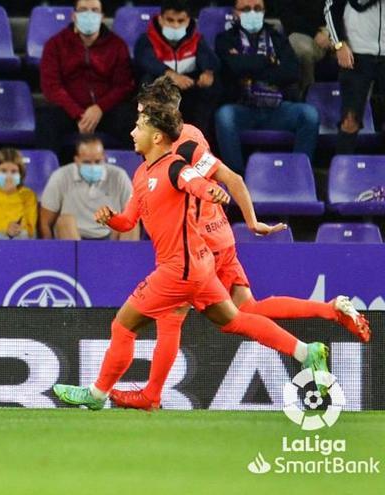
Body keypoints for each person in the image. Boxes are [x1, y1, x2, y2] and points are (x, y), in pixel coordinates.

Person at [107, 77, 371, 410]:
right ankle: (329, 311)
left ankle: (151, 395)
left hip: (198, 244)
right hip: (219, 238)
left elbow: (230, 180)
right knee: (248, 309)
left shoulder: (182, 144)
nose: (138, 121)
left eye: (142, 112)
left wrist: (251, 221)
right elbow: (227, 180)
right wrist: (247, 221)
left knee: (175, 316)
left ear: (156, 111)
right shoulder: (189, 137)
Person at [52, 105, 331, 411]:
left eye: (139, 126)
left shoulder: (175, 166)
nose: (132, 132)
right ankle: (308, 352)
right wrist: (111, 219)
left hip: (178, 271)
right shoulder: (142, 173)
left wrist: (212, 192)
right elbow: (129, 221)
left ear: (157, 136)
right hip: (200, 269)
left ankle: (97, 394)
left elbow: (194, 182)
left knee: (123, 326)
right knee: (235, 320)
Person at [214, 0, 319, 175]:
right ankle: (237, 177)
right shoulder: (225, 39)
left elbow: (291, 73)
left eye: (257, 9)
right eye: (246, 9)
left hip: (277, 109)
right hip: (243, 108)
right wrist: (269, 62)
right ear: (235, 13)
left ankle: (298, 174)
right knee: (224, 116)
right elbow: (232, 69)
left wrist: (247, 65)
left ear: (264, 11)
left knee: (309, 115)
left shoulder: (277, 38)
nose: (252, 13)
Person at [38, 0, 136, 160]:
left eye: (94, 10)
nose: (89, 14)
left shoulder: (117, 45)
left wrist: (99, 108)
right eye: (83, 10)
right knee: (46, 120)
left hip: (106, 111)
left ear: (102, 16)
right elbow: (51, 86)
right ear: (74, 15)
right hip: (69, 111)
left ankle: (134, 173)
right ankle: (48, 175)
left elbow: (123, 85)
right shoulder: (55, 44)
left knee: (134, 120)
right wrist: (78, 114)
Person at [134, 0, 220, 136]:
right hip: (161, 93)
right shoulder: (147, 39)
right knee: (147, 80)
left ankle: (198, 138)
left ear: (188, 21)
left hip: (188, 93)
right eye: (170, 20)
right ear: (161, 19)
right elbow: (145, 61)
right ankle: (152, 135)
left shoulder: (196, 39)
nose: (175, 25)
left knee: (211, 86)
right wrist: (171, 76)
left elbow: (210, 60)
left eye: (181, 21)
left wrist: (207, 72)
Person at [39, 135, 137, 240]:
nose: (93, 166)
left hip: (110, 237)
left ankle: (126, 256)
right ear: (76, 159)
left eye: (97, 161)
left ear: (104, 158)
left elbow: (132, 213)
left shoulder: (119, 176)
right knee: (64, 221)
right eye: (87, 162)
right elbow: (45, 222)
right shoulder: (60, 176)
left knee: (131, 224)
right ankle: (74, 256)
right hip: (74, 239)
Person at [325, 0, 385, 154]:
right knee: (350, 120)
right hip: (357, 53)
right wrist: (339, 44)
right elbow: (330, 7)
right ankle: (341, 174)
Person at [280, 0, 332, 97]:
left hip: (330, 28)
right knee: (303, 50)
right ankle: (307, 94)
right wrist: (315, 33)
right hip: (300, 32)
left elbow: (338, 10)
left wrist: (330, 32)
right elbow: (288, 18)